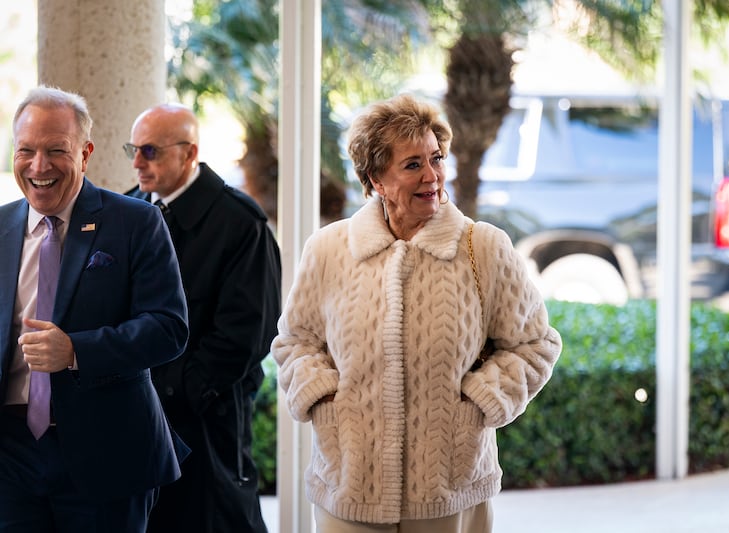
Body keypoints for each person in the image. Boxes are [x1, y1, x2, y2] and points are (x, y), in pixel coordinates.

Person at [271, 93, 563, 532]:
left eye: (436, 158)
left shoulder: (484, 247)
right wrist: (325, 398)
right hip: (349, 486)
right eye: (412, 165)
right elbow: (295, 342)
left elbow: (535, 344)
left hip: (450, 488)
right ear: (376, 179)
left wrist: (481, 400)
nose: (432, 175)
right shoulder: (328, 249)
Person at [0, 86, 189, 533]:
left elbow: (168, 328)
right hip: (11, 457)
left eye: (56, 150)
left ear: (84, 154)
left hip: (108, 453)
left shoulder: (137, 222)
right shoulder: (1, 226)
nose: (39, 166)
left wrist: (75, 351)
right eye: (26, 150)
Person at [125, 103, 281, 533]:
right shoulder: (128, 209)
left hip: (207, 421)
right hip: (138, 413)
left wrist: (182, 389)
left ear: (189, 153)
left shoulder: (240, 222)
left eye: (150, 151)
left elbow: (249, 332)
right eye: (133, 150)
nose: (137, 162)